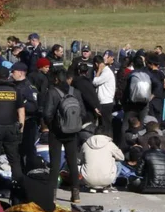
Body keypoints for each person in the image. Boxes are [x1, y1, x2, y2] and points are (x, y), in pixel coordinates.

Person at [42, 69, 85, 203]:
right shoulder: (75, 92)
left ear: (56, 79)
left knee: (55, 164)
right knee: (72, 162)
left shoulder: (52, 92)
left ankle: (52, 195)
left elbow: (47, 114)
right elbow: (83, 112)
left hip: (57, 132)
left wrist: (52, 126)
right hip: (73, 132)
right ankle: (75, 194)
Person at [11, 61, 41, 172]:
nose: (11, 74)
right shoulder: (12, 85)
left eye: (13, 71)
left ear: (20, 73)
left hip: (28, 123)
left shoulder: (29, 87)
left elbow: (33, 106)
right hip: (14, 123)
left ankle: (29, 172)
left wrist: (21, 102)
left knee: (28, 149)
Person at [93, 55, 116, 137]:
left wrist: (98, 70)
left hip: (106, 103)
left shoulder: (106, 73)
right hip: (104, 102)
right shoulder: (105, 72)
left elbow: (95, 82)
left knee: (106, 125)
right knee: (102, 124)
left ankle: (108, 140)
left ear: (96, 64)